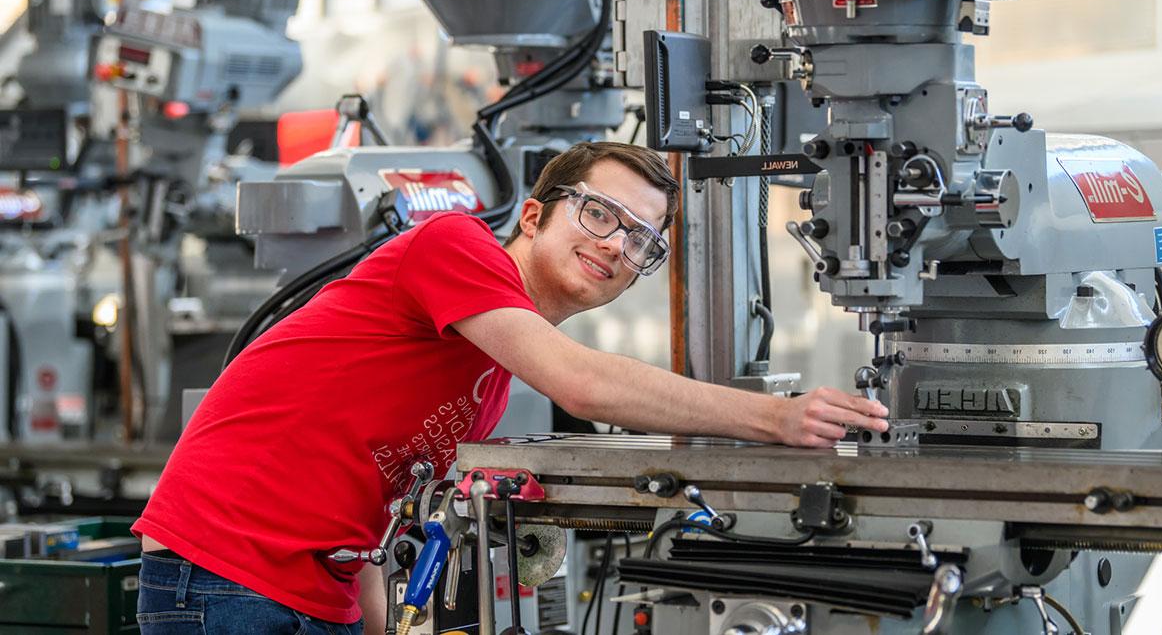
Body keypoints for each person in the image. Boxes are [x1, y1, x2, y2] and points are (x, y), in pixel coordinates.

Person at [132, 142, 889, 633]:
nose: (615, 246)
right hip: (223, 577)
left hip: (309, 594)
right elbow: (582, 383)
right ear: (532, 214)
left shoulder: (488, 372)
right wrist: (776, 419)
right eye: (600, 213)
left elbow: (375, 506)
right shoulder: (453, 243)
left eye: (641, 241)